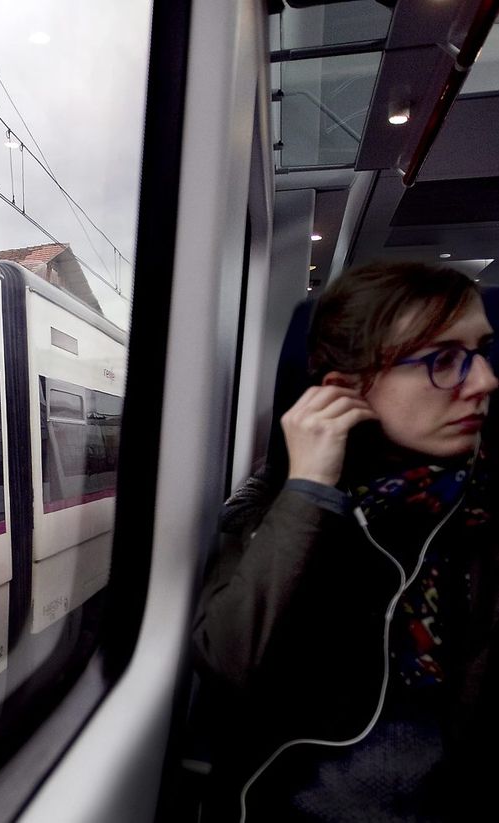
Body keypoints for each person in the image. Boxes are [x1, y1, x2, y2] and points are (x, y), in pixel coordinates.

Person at [193, 262, 499, 822]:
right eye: (443, 359)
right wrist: (309, 488)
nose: (485, 381)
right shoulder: (278, 507)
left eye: (482, 351)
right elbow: (228, 667)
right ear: (346, 389)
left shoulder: (479, 512)